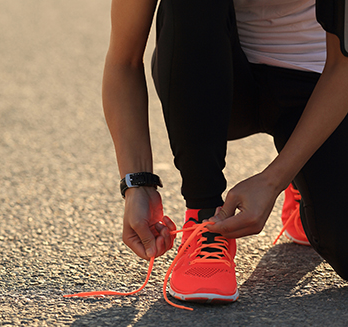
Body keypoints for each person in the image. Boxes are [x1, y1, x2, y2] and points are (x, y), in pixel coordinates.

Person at [104, 0, 348, 304]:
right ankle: (203, 217)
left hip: (318, 84)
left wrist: (274, 180)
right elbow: (123, 61)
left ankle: (302, 178)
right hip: (211, 78)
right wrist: (137, 184)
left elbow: (344, 68)